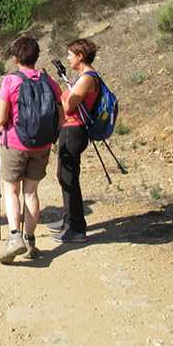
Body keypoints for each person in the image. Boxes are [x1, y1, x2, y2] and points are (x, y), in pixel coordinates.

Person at [0, 36, 64, 263]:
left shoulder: (10, 81)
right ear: (36, 56)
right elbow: (61, 118)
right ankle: (30, 242)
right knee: (31, 192)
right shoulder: (50, 82)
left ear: (15, 58)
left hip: (15, 143)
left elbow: (2, 117)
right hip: (42, 144)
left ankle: (14, 237)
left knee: (11, 190)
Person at [52, 38, 100, 244]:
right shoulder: (83, 77)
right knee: (64, 176)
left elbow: (69, 106)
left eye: (71, 55)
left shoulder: (87, 78)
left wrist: (57, 92)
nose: (68, 58)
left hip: (75, 131)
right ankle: (68, 219)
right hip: (70, 129)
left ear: (80, 56)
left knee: (69, 177)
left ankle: (77, 227)